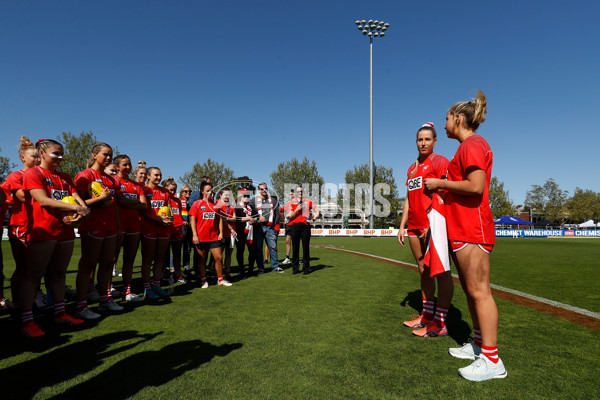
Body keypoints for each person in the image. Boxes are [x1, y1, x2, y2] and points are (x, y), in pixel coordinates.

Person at [424, 90, 506, 381]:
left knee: (480, 292)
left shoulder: (473, 144)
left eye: (446, 119)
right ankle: (480, 345)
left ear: (458, 119)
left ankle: (492, 360)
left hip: (473, 228)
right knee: (472, 293)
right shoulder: (467, 146)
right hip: (463, 228)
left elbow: (475, 186)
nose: (443, 124)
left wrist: (440, 182)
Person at [19, 138, 90, 336]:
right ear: (42, 153)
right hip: (43, 230)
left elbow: (79, 200)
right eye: (55, 153)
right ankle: (27, 321)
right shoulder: (34, 173)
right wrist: (77, 208)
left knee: (59, 274)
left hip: (65, 230)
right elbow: (42, 200)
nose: (60, 157)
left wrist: (83, 211)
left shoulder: (66, 177)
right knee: (34, 275)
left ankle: (60, 314)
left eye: (61, 153)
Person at [397, 123, 454, 337]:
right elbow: (408, 200)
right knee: (423, 271)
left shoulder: (440, 161)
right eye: (420, 139)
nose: (423, 143)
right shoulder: (411, 168)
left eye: (427, 139)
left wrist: (435, 224)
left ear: (435, 141)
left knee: (441, 272)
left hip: (433, 225)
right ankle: (426, 316)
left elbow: (448, 192)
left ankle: (439, 323)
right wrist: (402, 225)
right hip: (414, 225)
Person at [74, 142, 123, 319]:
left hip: (110, 226)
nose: (109, 158)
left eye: (110, 155)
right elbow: (77, 205)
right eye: (105, 154)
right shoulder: (85, 176)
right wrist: (99, 199)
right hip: (92, 225)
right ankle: (81, 306)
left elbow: (114, 206)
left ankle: (105, 300)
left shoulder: (111, 179)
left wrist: (118, 227)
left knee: (107, 264)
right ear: (94, 155)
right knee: (88, 265)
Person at [113, 154, 148, 301]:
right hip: (117, 225)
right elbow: (119, 202)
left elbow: (144, 205)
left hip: (134, 226)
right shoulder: (113, 181)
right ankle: (107, 291)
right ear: (117, 167)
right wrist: (133, 203)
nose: (127, 167)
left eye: (129, 164)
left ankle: (127, 292)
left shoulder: (136, 185)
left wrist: (126, 202)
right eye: (124, 165)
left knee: (129, 260)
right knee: (110, 260)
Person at [189, 180, 231, 288]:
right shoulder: (197, 204)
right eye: (207, 191)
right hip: (201, 237)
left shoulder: (216, 205)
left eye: (211, 190)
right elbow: (192, 220)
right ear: (202, 191)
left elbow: (220, 220)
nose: (210, 192)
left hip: (214, 237)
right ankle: (204, 280)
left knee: (219, 257)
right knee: (201, 259)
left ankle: (220, 279)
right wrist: (194, 235)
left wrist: (221, 232)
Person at [140, 166, 173, 298]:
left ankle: (157, 286)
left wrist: (170, 220)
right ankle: (147, 289)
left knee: (160, 259)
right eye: (156, 175)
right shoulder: (144, 190)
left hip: (163, 229)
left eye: (160, 175)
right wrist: (157, 220)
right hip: (149, 228)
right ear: (148, 176)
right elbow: (143, 211)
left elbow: (169, 210)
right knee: (148, 259)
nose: (159, 178)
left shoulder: (165, 192)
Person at [287, 185, 319, 275]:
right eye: (298, 192)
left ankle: (306, 268)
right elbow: (290, 215)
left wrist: (313, 219)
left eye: (301, 191)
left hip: (305, 226)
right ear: (295, 193)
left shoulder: (308, 201)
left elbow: (317, 211)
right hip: (295, 226)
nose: (300, 193)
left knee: (305, 248)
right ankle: (295, 269)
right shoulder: (292, 203)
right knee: (295, 248)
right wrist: (297, 209)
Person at [250, 182, 282, 273]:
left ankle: (275, 266)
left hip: (270, 227)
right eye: (262, 189)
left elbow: (278, 213)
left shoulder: (273, 200)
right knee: (259, 248)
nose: (264, 190)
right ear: (258, 190)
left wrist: (274, 224)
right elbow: (250, 213)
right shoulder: (254, 200)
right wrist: (258, 218)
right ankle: (261, 267)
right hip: (258, 227)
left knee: (273, 247)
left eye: (265, 188)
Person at [163, 178, 186, 284]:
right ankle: (165, 273)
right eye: (170, 190)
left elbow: (179, 214)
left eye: (174, 190)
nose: (172, 192)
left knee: (177, 254)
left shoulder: (177, 201)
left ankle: (178, 274)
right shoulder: (164, 200)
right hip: (167, 229)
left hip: (177, 229)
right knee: (164, 254)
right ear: (165, 189)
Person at [234, 189, 257, 277]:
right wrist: (248, 219)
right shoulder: (237, 207)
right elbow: (236, 219)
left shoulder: (251, 207)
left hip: (251, 232)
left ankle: (250, 269)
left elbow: (256, 216)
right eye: (245, 196)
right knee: (240, 251)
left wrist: (254, 220)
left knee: (253, 251)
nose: (247, 197)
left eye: (248, 196)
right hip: (241, 232)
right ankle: (242, 270)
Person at [217, 187, 237, 281]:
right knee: (219, 256)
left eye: (229, 195)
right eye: (225, 194)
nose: (227, 197)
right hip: (221, 233)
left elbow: (234, 218)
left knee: (229, 254)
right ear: (221, 195)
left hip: (232, 234)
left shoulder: (232, 205)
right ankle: (218, 275)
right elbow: (222, 220)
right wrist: (229, 223)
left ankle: (227, 274)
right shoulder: (218, 204)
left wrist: (226, 218)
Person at [179, 186, 192, 272]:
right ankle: (173, 268)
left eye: (189, 191)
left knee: (187, 249)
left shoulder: (188, 204)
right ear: (182, 192)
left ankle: (186, 266)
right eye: (186, 191)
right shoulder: (180, 202)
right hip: (180, 228)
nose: (188, 193)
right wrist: (183, 221)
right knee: (178, 249)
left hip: (188, 228)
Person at [281, 189, 295, 265]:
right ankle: (287, 257)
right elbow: (282, 209)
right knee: (287, 240)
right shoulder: (288, 203)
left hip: (295, 224)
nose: (290, 196)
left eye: (291, 194)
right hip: (288, 224)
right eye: (289, 194)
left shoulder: (297, 203)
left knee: (295, 242)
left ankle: (296, 257)